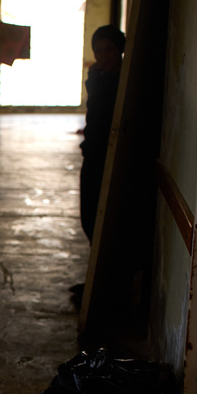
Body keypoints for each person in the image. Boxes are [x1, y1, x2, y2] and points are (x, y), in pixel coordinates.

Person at [79, 25, 126, 245]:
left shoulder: (126, 82)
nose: (103, 56)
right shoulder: (96, 76)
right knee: (89, 213)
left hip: (117, 155)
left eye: (109, 49)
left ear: (120, 50)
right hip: (93, 153)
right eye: (98, 51)